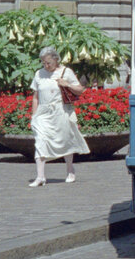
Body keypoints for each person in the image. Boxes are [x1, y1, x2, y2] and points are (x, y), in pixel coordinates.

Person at [27, 46, 89, 187]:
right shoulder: (39, 74)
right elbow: (35, 96)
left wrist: (66, 84)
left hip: (61, 111)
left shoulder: (66, 72)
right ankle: (40, 177)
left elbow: (80, 90)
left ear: (56, 59)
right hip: (43, 113)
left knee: (65, 140)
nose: (46, 65)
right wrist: (34, 116)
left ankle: (69, 169)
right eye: (43, 62)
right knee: (40, 142)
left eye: (48, 62)